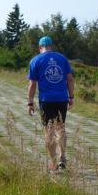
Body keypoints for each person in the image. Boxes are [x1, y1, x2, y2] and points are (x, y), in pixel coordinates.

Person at [27, 36, 75, 171]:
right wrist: (71, 97)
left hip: (46, 100)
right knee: (60, 128)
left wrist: (30, 102)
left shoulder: (35, 60)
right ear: (51, 46)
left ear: (40, 47)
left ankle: (53, 163)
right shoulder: (62, 59)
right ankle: (62, 157)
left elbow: (32, 84)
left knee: (49, 130)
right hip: (62, 99)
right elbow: (70, 79)